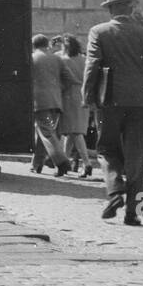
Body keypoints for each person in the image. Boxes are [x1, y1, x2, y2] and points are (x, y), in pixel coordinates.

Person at [83, 0, 143, 226]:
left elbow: (92, 66)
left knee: (106, 149)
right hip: (141, 103)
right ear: (130, 7)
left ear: (110, 9)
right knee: (138, 159)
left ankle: (114, 190)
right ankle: (136, 213)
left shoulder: (98, 32)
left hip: (109, 101)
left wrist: (87, 96)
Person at [31, 34, 70, 176]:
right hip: (56, 101)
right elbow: (68, 78)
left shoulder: (32, 58)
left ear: (34, 45)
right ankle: (37, 164)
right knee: (44, 131)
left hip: (40, 101)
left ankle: (62, 161)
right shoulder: (56, 58)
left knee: (45, 132)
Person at [58, 35, 95, 178]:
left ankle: (87, 164)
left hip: (69, 96)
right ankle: (64, 162)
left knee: (75, 132)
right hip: (82, 95)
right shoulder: (84, 60)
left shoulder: (64, 60)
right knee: (72, 131)